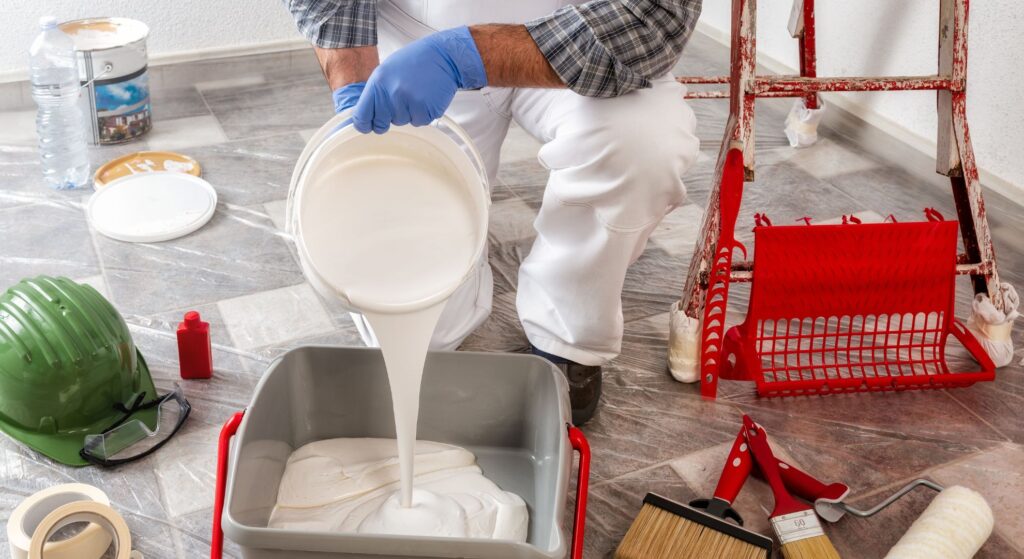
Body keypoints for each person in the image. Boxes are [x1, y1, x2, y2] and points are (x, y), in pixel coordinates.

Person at [283, 0, 703, 425]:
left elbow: (656, 14)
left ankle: (567, 332)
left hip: (580, 39)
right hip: (414, 47)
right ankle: (447, 263)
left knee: (642, 145)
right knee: (420, 326)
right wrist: (354, 87)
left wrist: (463, 55)